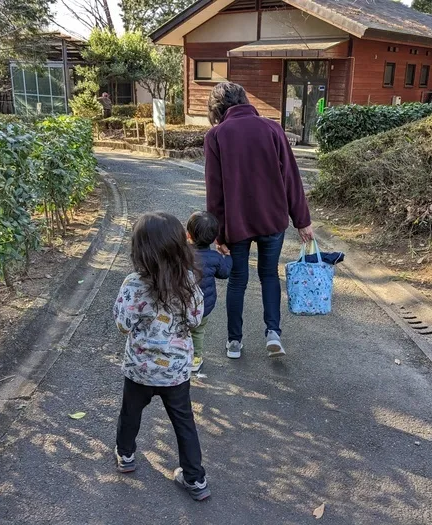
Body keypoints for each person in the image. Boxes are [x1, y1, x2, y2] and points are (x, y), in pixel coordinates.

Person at [204, 82, 313, 360]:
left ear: (217, 108)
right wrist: (302, 220)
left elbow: (214, 191)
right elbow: (291, 178)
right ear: (244, 99)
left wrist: (218, 235)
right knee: (268, 275)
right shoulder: (272, 128)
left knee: (238, 280)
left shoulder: (216, 135)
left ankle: (234, 343)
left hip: (238, 223)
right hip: (273, 219)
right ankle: (273, 334)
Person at [112, 211, 210, 501]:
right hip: (176, 371)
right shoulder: (189, 281)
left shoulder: (133, 284)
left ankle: (126, 455)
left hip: (140, 370)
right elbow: (195, 320)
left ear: (139, 250)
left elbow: (121, 324)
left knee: (130, 414)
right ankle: (195, 479)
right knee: (184, 423)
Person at [186, 211, 232, 372]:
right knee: (198, 332)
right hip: (203, 306)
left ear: (188, 235)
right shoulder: (214, 257)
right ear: (213, 239)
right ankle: (195, 358)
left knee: (180, 330)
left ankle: (178, 353)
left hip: (181, 304)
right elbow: (225, 273)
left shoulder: (181, 254)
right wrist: (228, 257)